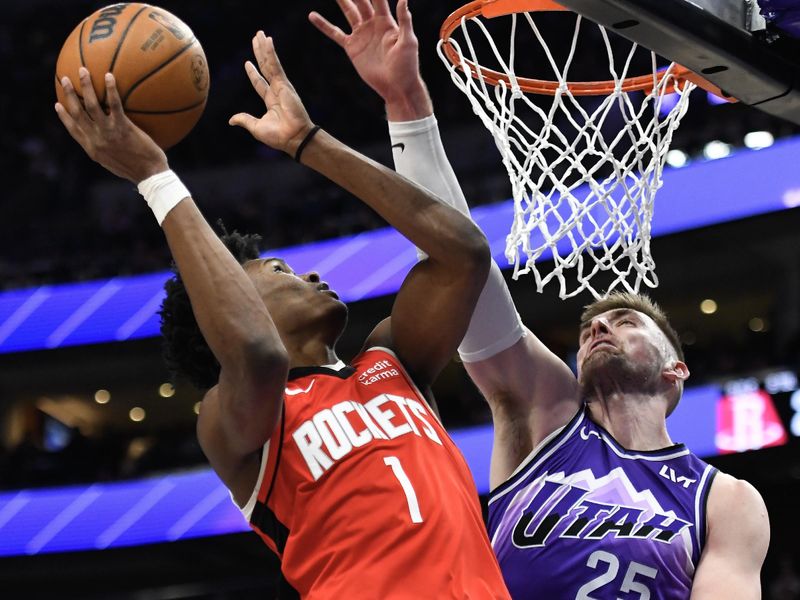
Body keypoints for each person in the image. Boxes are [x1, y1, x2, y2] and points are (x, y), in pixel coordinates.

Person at [310, 1, 771, 598]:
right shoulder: (544, 415)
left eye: (625, 321)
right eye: (589, 329)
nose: (597, 328)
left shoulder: (724, 498)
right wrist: (406, 105)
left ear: (675, 369)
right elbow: (464, 269)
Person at [54, 33, 511, 599]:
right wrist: (154, 176)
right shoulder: (234, 421)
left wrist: (308, 142)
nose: (310, 275)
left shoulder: (392, 363)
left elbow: (462, 254)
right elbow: (257, 353)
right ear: (227, 309)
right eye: (278, 271)